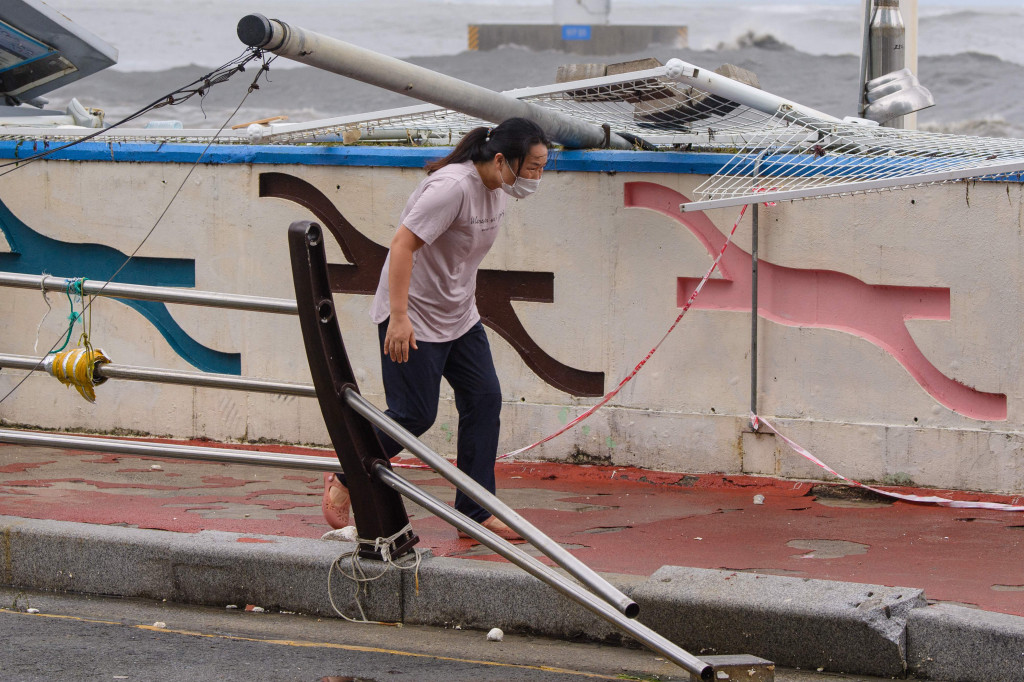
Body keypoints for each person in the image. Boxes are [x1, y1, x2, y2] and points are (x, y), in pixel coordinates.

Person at [322, 117, 551, 541]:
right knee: (413, 415)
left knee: (484, 401)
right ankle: (346, 476)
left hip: (460, 317)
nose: (538, 177)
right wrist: (398, 316)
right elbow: (402, 245)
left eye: (543, 167)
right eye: (534, 167)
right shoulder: (452, 188)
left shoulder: (496, 188)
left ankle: (475, 512)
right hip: (413, 318)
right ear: (503, 159)